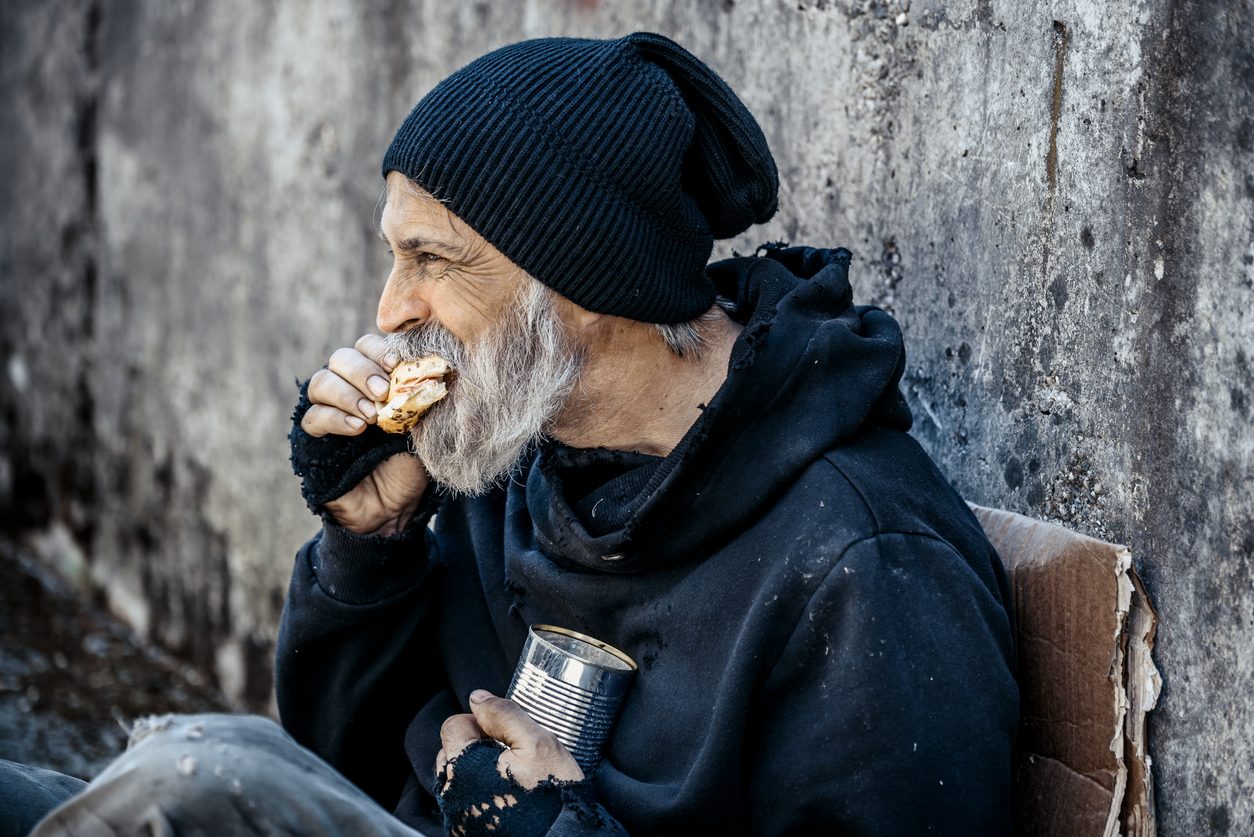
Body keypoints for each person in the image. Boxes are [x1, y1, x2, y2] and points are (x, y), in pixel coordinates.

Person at [11, 31, 1017, 837]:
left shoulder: (867, 566)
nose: (390, 307)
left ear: (574, 283)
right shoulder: (521, 443)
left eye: (430, 260)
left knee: (199, 779)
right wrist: (369, 547)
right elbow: (343, 765)